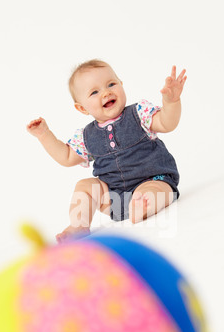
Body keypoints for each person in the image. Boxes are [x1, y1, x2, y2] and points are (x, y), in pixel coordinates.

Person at [27, 60, 187, 243]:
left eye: (111, 84)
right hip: (113, 198)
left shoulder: (139, 113)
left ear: (121, 84)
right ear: (81, 108)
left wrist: (171, 102)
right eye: (94, 92)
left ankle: (143, 205)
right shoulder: (86, 136)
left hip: (154, 179)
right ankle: (78, 224)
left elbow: (167, 123)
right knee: (85, 186)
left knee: (156, 191)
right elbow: (66, 156)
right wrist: (44, 134)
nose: (106, 92)